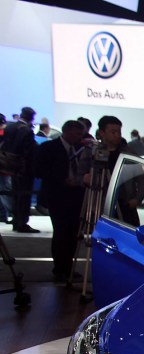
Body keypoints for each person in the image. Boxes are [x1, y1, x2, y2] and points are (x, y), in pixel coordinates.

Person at [34, 119, 87, 281]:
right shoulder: (49, 148)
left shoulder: (82, 149)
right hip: (57, 196)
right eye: (77, 134)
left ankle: (69, 267)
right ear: (68, 132)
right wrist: (61, 179)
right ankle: (59, 268)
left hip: (77, 196)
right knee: (60, 232)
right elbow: (40, 170)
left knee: (73, 233)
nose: (79, 137)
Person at [78, 115, 143, 227]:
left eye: (119, 132)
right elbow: (79, 175)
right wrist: (84, 178)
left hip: (124, 204)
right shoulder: (91, 152)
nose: (117, 135)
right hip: (98, 203)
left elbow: (141, 177)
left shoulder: (128, 153)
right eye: (113, 132)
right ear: (102, 133)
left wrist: (138, 198)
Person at [2, 106, 38, 232]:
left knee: (15, 195)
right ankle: (22, 223)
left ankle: (16, 221)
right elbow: (28, 152)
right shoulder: (27, 131)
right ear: (31, 117)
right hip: (24, 168)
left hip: (10, 166)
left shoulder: (10, 127)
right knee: (24, 196)